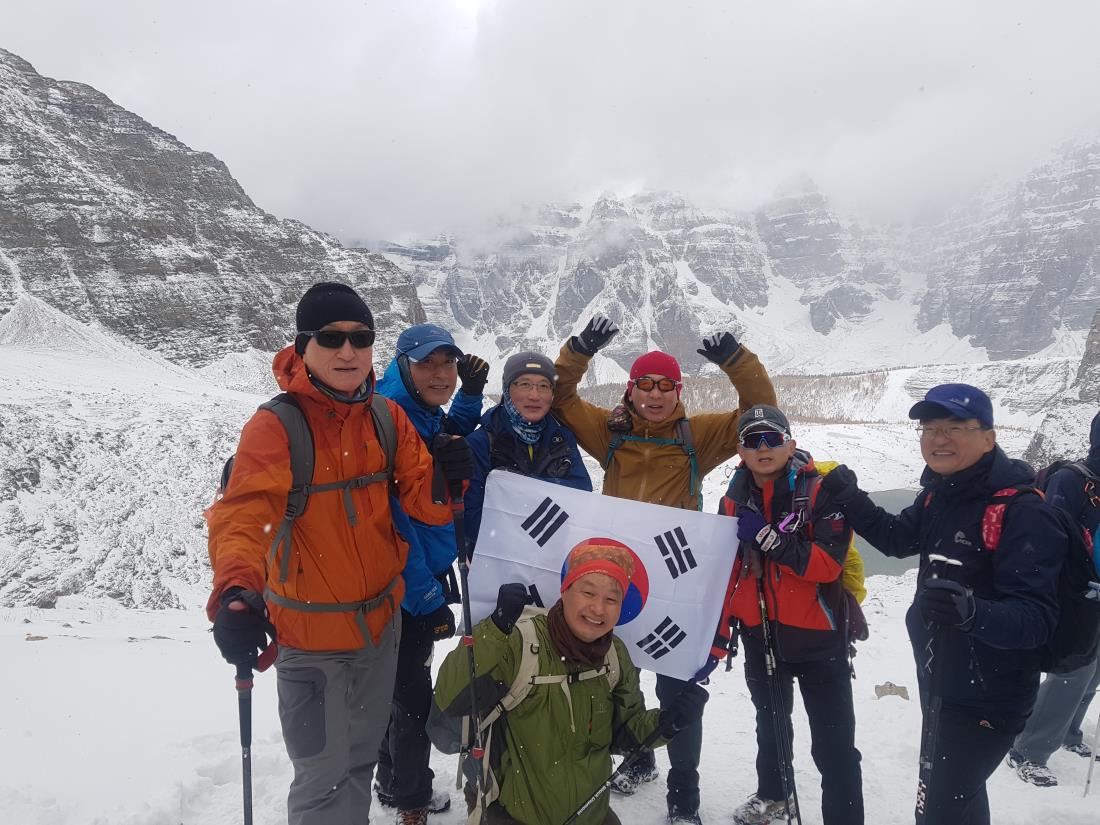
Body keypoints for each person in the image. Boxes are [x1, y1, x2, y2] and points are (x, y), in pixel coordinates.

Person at [206, 282, 474, 825]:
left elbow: (426, 507)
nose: (348, 351)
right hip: (311, 641)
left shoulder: (385, 418)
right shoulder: (277, 427)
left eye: (361, 338)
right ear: (302, 346)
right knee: (322, 780)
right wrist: (236, 587)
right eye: (331, 338)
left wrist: (449, 479)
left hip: (381, 631)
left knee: (358, 761)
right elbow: (245, 514)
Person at [552, 315, 777, 825]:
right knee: (619, 680)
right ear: (630, 390)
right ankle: (638, 759)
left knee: (676, 689)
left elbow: (758, 410)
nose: (655, 395)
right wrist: (579, 350)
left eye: (665, 386)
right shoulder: (610, 434)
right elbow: (562, 398)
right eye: (645, 385)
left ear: (679, 391)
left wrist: (736, 361)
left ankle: (684, 796)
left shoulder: (698, 436)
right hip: (617, 580)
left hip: (676, 582)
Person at [820, 383, 1066, 825]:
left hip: (988, 698)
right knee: (961, 801)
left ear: (988, 437)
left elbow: (1037, 620)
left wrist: (973, 612)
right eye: (930, 428)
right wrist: (850, 497)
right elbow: (896, 539)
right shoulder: (940, 494)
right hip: (943, 681)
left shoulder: (1023, 512)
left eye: (955, 427)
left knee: (935, 810)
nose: (939, 438)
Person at [433, 541, 710, 825]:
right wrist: (495, 628)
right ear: (565, 591)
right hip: (511, 816)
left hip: (593, 817)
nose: (598, 608)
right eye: (588, 592)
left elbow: (626, 731)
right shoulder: (520, 642)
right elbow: (449, 697)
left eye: (611, 599)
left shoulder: (614, 655)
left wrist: (668, 722)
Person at [713, 405, 863, 825]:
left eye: (772, 438)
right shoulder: (733, 500)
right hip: (759, 634)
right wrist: (719, 632)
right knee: (771, 725)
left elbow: (827, 565)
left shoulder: (822, 493)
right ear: (740, 450)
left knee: (834, 747)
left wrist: (767, 538)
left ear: (790, 443)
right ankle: (775, 796)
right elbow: (727, 569)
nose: (763, 447)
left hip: (820, 640)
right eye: (752, 439)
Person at [373, 323, 490, 824]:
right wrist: (425, 598)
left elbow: (443, 434)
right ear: (403, 364)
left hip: (408, 581)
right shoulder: (392, 420)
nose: (441, 373)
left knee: (397, 687)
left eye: (449, 364)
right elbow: (393, 525)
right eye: (428, 364)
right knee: (413, 696)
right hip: (405, 585)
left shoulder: (410, 408)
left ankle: (391, 779)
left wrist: (470, 397)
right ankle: (411, 800)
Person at [1006, 409, 1100, 786]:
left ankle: (1068, 733)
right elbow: (1049, 537)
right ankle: (1029, 750)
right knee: (1073, 671)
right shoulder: (1071, 480)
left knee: (1092, 670)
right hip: (1077, 595)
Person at [464, 351, 593, 550]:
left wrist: (521, 488)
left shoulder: (561, 438)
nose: (534, 395)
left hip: (552, 555)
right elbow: (471, 520)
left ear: (552, 394)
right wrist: (545, 502)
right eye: (524, 384)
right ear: (507, 389)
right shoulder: (481, 443)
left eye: (543, 386)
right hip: (497, 558)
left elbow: (582, 494)